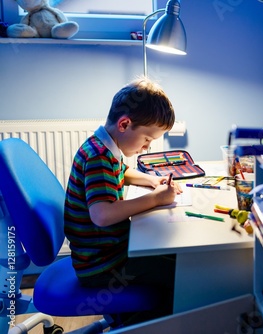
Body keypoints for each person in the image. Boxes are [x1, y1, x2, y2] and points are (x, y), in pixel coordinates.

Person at [64, 77, 182, 328]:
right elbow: (102, 215)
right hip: (102, 266)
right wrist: (156, 199)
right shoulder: (98, 157)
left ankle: (133, 319)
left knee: (173, 255)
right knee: (180, 275)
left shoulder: (104, 146)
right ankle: (139, 326)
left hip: (105, 253)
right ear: (125, 124)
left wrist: (152, 180)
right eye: (147, 140)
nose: (146, 148)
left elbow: (122, 172)